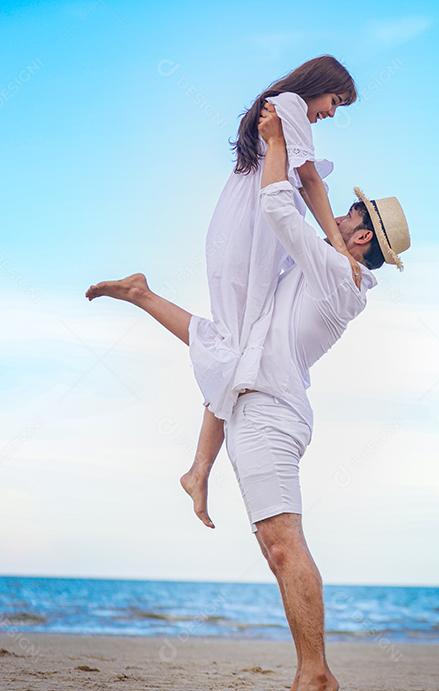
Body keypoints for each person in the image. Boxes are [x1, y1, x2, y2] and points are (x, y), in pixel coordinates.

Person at [85, 101, 411, 691]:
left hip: (271, 412)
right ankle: (304, 676)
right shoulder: (327, 268)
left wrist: (276, 142)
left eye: (347, 214)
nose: (336, 216)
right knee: (273, 542)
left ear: (361, 236)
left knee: (284, 544)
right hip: (254, 399)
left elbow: (276, 206)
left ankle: (317, 678)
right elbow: (222, 343)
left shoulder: (339, 279)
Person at [88, 56, 362, 530]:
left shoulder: (275, 106)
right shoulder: (290, 105)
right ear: (319, 87)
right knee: (235, 351)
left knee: (235, 351)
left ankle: (198, 467)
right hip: (251, 238)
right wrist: (337, 245)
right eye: (335, 101)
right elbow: (311, 180)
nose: (332, 113)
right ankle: (197, 467)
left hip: (242, 232)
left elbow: (301, 179)